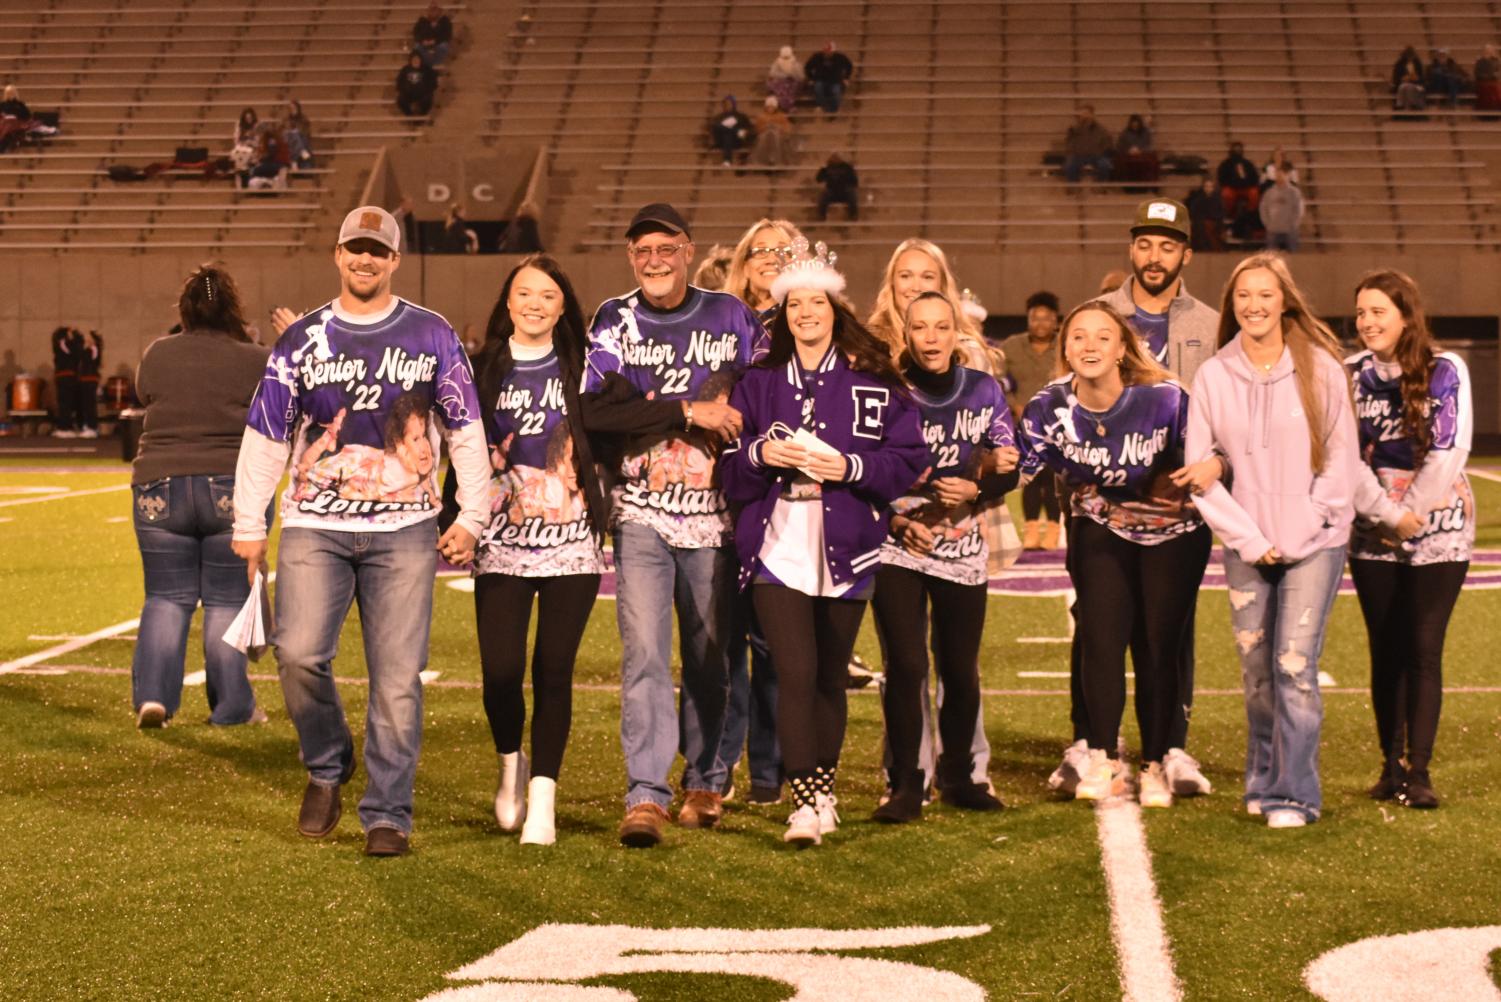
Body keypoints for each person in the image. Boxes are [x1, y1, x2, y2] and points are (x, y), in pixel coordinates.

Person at [231, 206, 493, 857]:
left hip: (405, 530)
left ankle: (388, 811)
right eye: (355, 248)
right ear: (337, 253)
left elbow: (465, 430)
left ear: (395, 259)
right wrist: (247, 521)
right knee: (297, 655)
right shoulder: (301, 341)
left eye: (377, 251)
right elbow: (266, 433)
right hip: (315, 527)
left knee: (398, 677)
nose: (365, 260)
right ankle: (327, 762)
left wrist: (473, 514)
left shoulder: (431, 333)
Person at [449, 255, 691, 845]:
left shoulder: (586, 369)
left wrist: (683, 411)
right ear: (508, 303)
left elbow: (634, 407)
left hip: (573, 545)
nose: (535, 303)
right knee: (501, 672)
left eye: (548, 295)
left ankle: (543, 801)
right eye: (524, 293)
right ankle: (511, 764)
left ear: (563, 308)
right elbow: (455, 442)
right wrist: (458, 514)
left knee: (553, 670)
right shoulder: (480, 369)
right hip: (501, 544)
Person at [720, 239, 927, 845]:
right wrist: (760, 453)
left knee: (830, 675)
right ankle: (807, 802)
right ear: (781, 314)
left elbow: (907, 457)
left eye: (817, 302)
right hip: (778, 538)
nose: (806, 313)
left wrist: (849, 470)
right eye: (794, 305)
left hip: (848, 538)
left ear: (837, 308)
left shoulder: (874, 377)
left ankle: (823, 791)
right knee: (796, 669)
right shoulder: (757, 383)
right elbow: (731, 474)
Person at [583, 203, 761, 848]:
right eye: (642, 252)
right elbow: (599, 409)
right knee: (646, 657)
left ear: (688, 250)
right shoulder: (614, 317)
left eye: (666, 248)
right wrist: (689, 410)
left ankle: (708, 777)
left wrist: (652, 407)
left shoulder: (731, 315)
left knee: (711, 657)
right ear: (631, 257)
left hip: (716, 517)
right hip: (640, 515)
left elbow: (764, 397)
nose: (654, 261)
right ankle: (645, 792)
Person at [1046, 198, 1220, 799]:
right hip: (1102, 507)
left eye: (1167, 245)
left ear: (1185, 254)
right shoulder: (1098, 315)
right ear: (1131, 248)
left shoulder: (1211, 323)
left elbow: (1217, 411)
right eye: (1145, 244)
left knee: (1168, 633)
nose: (1154, 256)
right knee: (1097, 624)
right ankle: (1088, 740)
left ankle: (1168, 745)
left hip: (1177, 511)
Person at [1180, 253, 1360, 829]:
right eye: (1243, 297)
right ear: (1231, 307)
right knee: (1256, 672)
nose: (1254, 305)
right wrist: (1253, 540)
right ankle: (1261, 780)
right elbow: (1198, 473)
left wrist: (1299, 531)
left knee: (1293, 667)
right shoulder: (1212, 375)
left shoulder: (1323, 370)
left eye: (1265, 294)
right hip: (1247, 548)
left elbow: (1341, 465)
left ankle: (1296, 793)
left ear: (1285, 300)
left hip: (1315, 543)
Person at [1020, 301, 1211, 808]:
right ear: (1065, 347)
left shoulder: (1168, 398)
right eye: (1078, 336)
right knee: (1102, 640)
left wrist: (1210, 474)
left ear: (1123, 347)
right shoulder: (1049, 405)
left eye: (1102, 337)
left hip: (1173, 534)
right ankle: (1103, 758)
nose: (1089, 346)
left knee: (1157, 645)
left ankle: (1155, 762)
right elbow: (1016, 466)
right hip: (1101, 525)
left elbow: (1214, 458)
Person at [871, 291, 1018, 822]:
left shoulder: (981, 388)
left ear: (957, 332)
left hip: (961, 547)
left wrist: (979, 489)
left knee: (959, 668)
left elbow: (1011, 462)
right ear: (905, 333)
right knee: (906, 665)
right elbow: (864, 467)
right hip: (898, 545)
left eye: (940, 327)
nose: (931, 338)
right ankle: (905, 783)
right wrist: (896, 518)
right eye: (920, 328)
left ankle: (960, 776)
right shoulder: (887, 389)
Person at [1347, 270, 1473, 810]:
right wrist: (1383, 514)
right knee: (1386, 648)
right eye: (1360, 313)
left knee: (1423, 647)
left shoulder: (1446, 368)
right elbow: (1340, 455)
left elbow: (1451, 448)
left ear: (1405, 315)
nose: (1367, 322)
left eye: (1378, 311)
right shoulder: (1348, 373)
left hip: (1437, 523)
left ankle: (1418, 770)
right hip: (1373, 524)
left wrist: (1410, 514)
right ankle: (1388, 763)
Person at [130, 265, 271, 729]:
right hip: (230, 485)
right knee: (226, 600)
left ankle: (153, 696)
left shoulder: (157, 352)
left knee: (166, 597)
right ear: (232, 307)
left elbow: (144, 394)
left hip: (159, 485)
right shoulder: (253, 357)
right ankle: (232, 705)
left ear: (185, 309)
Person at [715, 218, 809, 803]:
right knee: (724, 643)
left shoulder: (811, 318)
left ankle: (770, 771)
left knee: (778, 642)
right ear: (743, 262)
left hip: (787, 499)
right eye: (761, 250)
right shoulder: (720, 321)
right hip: (715, 492)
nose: (772, 258)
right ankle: (716, 767)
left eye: (785, 250)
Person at [999, 291, 1063, 548]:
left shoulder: (1065, 345)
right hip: (1023, 424)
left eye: (1046, 318)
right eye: (1035, 318)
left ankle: (1054, 531)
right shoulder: (1011, 346)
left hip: (1058, 424)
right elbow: (999, 382)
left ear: (1055, 321)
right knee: (1029, 477)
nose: (1040, 323)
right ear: (1027, 319)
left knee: (1054, 477)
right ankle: (1032, 530)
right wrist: (1014, 405)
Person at [1216, 141, 1260, 237]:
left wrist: (1247, 184)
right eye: (1235, 149)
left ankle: (1250, 213)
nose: (1237, 151)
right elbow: (1222, 179)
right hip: (1232, 189)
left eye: (1239, 149)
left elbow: (1255, 178)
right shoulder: (1225, 164)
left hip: (1246, 188)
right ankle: (1229, 214)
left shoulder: (1248, 164)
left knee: (1254, 193)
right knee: (1226, 194)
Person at [1061, 105, 1114, 183]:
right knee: (1069, 165)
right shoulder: (1075, 129)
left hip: (1096, 156)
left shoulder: (1101, 129)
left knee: (1104, 165)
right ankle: (1074, 187)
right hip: (1079, 156)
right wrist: (1071, 153)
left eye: (1087, 113)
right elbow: (1069, 142)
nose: (1084, 116)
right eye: (1083, 113)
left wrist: (1101, 153)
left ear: (1092, 115)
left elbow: (1108, 143)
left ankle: (1100, 186)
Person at [804, 41, 854, 114]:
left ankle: (835, 108)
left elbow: (849, 66)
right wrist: (811, 78)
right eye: (825, 51)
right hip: (820, 80)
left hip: (835, 80)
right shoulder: (817, 57)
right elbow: (807, 67)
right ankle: (821, 106)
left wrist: (846, 78)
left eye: (829, 52)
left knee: (836, 91)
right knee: (818, 87)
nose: (827, 53)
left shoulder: (840, 57)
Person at [1259, 172, 1304, 252]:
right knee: (1270, 256)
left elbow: (1299, 209)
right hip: (1273, 229)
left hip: (1290, 229)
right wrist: (1267, 223)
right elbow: (1263, 208)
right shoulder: (1269, 192)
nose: (1280, 178)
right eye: (1278, 176)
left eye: (1282, 176)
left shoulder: (1294, 192)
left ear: (1287, 177)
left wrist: (1294, 224)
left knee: (1293, 254)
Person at [49, 326, 79, 438]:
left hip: (69, 376)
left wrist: (71, 338)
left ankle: (67, 427)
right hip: (61, 376)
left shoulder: (72, 345)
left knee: (67, 403)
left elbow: (73, 353)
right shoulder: (59, 345)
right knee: (62, 403)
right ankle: (63, 426)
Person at [1114, 113, 1159, 186]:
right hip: (1129, 156)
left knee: (1152, 159)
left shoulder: (1145, 133)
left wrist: (1140, 150)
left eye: (1136, 123)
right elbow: (1119, 146)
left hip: (1142, 156)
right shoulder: (1125, 133)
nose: (1135, 125)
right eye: (1133, 123)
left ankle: (1147, 185)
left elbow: (1149, 146)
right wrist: (1128, 150)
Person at [750, 96, 794, 167]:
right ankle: (766, 159)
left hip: (778, 137)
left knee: (774, 134)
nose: (770, 109)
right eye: (768, 107)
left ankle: (776, 159)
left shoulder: (781, 116)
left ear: (775, 107)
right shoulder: (761, 116)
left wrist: (778, 127)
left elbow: (787, 129)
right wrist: (765, 127)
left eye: (772, 107)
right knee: (768, 134)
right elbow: (757, 130)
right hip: (764, 137)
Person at [708, 96, 753, 166]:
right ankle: (736, 131)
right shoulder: (718, 117)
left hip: (736, 141)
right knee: (718, 128)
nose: (727, 106)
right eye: (725, 104)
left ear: (734, 104)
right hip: (721, 141)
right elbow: (714, 131)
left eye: (729, 104)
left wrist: (746, 131)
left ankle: (727, 160)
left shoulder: (741, 116)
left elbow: (749, 129)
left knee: (728, 135)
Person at [1185, 176, 1225, 251]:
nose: (1208, 188)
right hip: (1200, 221)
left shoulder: (1218, 199)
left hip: (1215, 221)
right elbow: (1194, 212)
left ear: (1214, 188)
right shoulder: (1198, 199)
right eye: (1206, 186)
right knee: (1202, 226)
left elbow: (1220, 213)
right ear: (1203, 187)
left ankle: (1213, 248)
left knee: (1209, 226)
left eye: (1210, 186)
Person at [815, 153, 859, 220]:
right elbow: (818, 179)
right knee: (824, 194)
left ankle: (853, 214)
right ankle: (821, 215)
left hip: (844, 191)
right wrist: (823, 169)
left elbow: (854, 182)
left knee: (851, 193)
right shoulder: (827, 168)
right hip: (831, 192)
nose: (835, 158)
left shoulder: (847, 167)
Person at [396, 53, 438, 118]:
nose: (416, 61)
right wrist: (403, 90)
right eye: (414, 60)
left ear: (421, 60)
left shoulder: (427, 69)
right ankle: (409, 115)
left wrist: (428, 90)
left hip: (423, 94)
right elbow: (399, 82)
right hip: (408, 94)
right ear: (411, 60)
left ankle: (422, 116)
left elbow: (433, 82)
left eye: (417, 59)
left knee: (428, 100)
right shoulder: (405, 70)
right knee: (401, 100)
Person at [412, 3, 453, 67]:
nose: (433, 12)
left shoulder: (445, 21)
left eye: (435, 10)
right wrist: (423, 41)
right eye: (431, 10)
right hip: (425, 44)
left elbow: (447, 35)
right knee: (417, 46)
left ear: (439, 11)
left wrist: (435, 41)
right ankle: (425, 62)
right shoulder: (422, 21)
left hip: (438, 44)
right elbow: (416, 33)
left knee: (443, 45)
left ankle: (436, 62)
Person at [766, 44, 804, 112]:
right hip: (782, 82)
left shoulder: (796, 64)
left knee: (788, 88)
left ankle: (787, 106)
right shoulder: (777, 63)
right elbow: (772, 73)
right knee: (780, 87)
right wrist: (784, 76)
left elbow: (801, 77)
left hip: (793, 83)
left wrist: (793, 75)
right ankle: (788, 106)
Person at [281, 99, 314, 170]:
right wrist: (290, 132)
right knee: (292, 135)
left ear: (298, 108)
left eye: (294, 108)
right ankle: (301, 151)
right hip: (289, 141)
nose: (292, 110)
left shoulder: (303, 119)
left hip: (302, 139)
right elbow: (281, 131)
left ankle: (294, 160)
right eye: (290, 108)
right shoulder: (285, 119)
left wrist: (297, 131)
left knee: (296, 135)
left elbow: (307, 132)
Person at [1475, 44, 1501, 112]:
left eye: (1490, 50)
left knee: (1496, 90)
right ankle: (1484, 112)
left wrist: (1494, 75)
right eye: (1487, 50)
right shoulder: (1480, 61)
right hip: (1483, 82)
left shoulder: (1496, 61)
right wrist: (1486, 76)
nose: (1489, 52)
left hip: (1493, 81)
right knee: (1486, 90)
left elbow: (1498, 72)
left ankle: (1496, 110)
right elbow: (1477, 73)